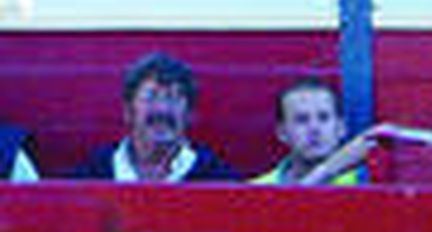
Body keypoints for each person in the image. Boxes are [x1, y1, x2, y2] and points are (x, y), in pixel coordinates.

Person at [70, 52, 239, 181]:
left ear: (189, 115)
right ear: (129, 111)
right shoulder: (91, 175)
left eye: (173, 98)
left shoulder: (218, 179)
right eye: (151, 96)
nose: (163, 109)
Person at [255, 78, 394, 185]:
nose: (314, 129)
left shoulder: (364, 184)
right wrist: (326, 171)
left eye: (324, 118)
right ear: (282, 133)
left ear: (340, 128)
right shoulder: (257, 189)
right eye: (302, 120)